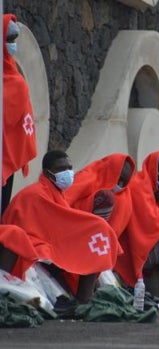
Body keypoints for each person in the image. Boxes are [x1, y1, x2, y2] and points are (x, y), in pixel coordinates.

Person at [2, 150, 120, 303]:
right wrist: (93, 226)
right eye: (61, 169)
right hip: (29, 243)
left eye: (70, 168)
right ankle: (84, 299)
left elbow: (61, 222)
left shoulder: (58, 193)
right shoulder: (35, 194)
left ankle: (85, 298)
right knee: (95, 233)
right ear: (47, 172)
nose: (68, 173)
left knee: (92, 243)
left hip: (49, 243)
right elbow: (45, 225)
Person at [114, 151, 159, 297]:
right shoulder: (139, 187)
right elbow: (153, 227)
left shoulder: (158, 189)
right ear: (155, 170)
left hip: (148, 246)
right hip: (132, 251)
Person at [2, 14, 37, 214]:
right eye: (8, 40)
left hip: (5, 156)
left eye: (14, 40)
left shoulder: (13, 74)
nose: (12, 45)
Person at [65, 153, 136, 237]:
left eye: (125, 182)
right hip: (71, 219)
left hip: (95, 238)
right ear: (112, 172)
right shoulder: (88, 176)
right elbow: (63, 200)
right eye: (119, 179)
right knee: (106, 197)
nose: (120, 184)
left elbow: (113, 233)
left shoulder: (125, 198)